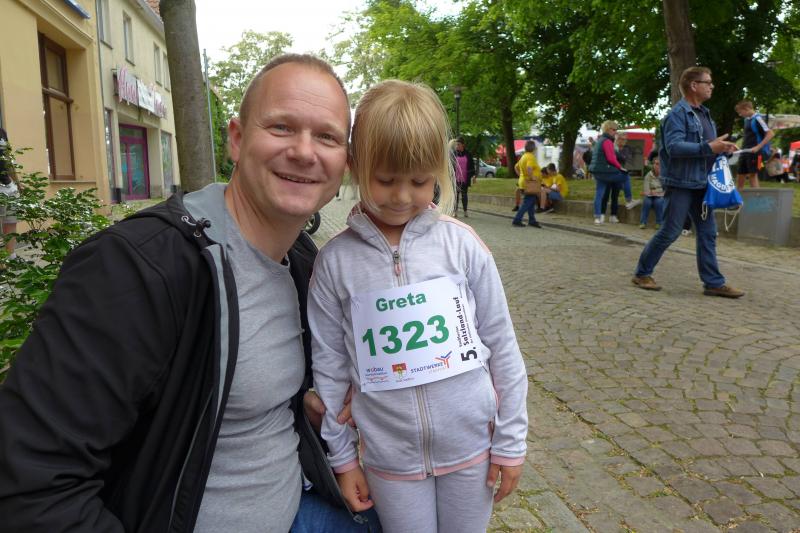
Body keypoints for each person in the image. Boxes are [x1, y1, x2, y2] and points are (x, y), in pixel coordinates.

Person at [0, 54, 380, 532]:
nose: (304, 152)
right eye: (281, 127)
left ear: (345, 162)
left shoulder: (305, 261)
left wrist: (306, 407)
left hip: (300, 502)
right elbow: (32, 486)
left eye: (326, 137)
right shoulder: (137, 268)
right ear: (236, 139)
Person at [308, 79, 528, 533]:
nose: (403, 196)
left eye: (420, 181)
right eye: (385, 180)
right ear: (355, 165)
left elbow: (502, 345)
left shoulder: (463, 246)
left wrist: (510, 440)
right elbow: (329, 365)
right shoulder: (334, 262)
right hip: (390, 461)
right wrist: (343, 459)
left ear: (439, 172)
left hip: (471, 449)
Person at [632, 66, 743, 298]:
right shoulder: (677, 115)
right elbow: (674, 147)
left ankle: (713, 282)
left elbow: (706, 148)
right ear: (694, 85)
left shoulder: (705, 114)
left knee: (708, 233)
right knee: (670, 231)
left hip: (702, 184)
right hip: (681, 183)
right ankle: (642, 273)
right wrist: (709, 147)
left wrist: (722, 149)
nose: (712, 86)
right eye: (708, 82)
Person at [589, 121, 637, 225]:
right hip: (605, 170)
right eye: (614, 130)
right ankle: (629, 200)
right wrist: (620, 168)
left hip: (596, 171)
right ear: (608, 129)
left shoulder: (599, 140)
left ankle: (597, 218)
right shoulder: (607, 141)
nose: (615, 132)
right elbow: (611, 158)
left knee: (599, 194)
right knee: (625, 176)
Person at [734, 100, 773, 190]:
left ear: (746, 109)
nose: (740, 115)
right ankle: (738, 197)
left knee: (752, 175)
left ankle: (756, 197)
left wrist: (758, 147)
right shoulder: (746, 120)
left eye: (740, 112)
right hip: (745, 151)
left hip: (755, 152)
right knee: (740, 174)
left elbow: (770, 134)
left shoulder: (758, 119)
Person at [600, 131, 639, 219]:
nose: (622, 141)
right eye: (620, 139)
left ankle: (613, 215)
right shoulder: (612, 147)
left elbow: (625, 161)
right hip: (608, 173)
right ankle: (602, 214)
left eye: (624, 139)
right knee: (606, 195)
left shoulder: (625, 149)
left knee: (615, 195)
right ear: (616, 139)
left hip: (617, 174)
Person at [512, 140, 542, 227]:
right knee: (527, 202)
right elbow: (529, 168)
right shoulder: (530, 157)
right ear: (533, 148)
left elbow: (516, 167)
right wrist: (532, 177)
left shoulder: (524, 156)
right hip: (529, 184)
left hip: (523, 182)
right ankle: (517, 220)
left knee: (531, 202)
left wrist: (521, 176)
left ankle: (532, 220)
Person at [0, 127, 19, 259]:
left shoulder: (2, 132)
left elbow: (8, 159)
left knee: (11, 221)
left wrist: (17, 182)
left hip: (9, 185)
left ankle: (11, 257)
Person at [639, 151, 664, 229]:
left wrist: (655, 191)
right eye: (656, 164)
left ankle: (659, 223)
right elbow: (646, 189)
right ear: (653, 165)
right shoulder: (648, 175)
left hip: (660, 196)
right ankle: (643, 222)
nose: (657, 166)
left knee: (658, 202)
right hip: (649, 195)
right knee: (647, 202)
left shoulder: (664, 176)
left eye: (659, 164)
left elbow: (665, 189)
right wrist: (650, 192)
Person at [452, 136, 475, 217]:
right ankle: (455, 211)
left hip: (465, 178)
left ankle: (465, 211)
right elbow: (451, 165)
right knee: (456, 196)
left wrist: (473, 176)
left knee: (464, 195)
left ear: (463, 145)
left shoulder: (468, 154)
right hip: (456, 178)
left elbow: (472, 166)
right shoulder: (454, 154)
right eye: (456, 144)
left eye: (458, 144)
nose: (457, 146)